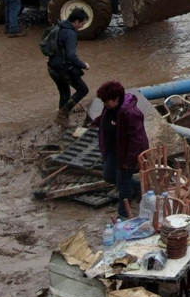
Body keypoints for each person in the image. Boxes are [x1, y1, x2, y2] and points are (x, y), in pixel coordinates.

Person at [95, 81, 150, 217]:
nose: (104, 104)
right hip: (113, 150)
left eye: (106, 101)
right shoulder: (109, 108)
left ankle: (123, 213)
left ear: (116, 99)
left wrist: (129, 161)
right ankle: (137, 186)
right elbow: (105, 119)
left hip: (127, 153)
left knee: (123, 183)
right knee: (109, 175)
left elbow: (136, 139)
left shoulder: (131, 113)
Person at [48, 18, 90, 127]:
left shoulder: (59, 27)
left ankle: (62, 121)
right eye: (82, 23)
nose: (82, 26)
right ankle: (62, 114)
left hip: (52, 68)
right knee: (83, 89)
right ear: (76, 21)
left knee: (64, 94)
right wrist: (83, 65)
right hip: (63, 69)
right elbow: (71, 55)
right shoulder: (70, 33)